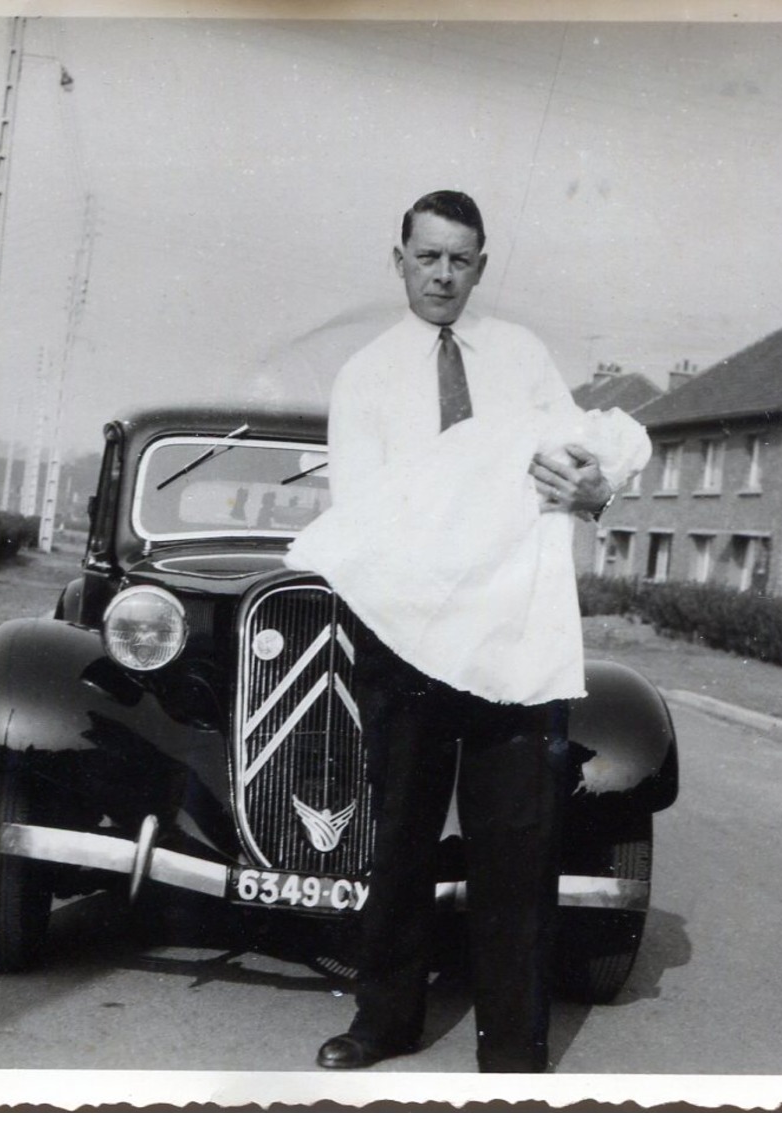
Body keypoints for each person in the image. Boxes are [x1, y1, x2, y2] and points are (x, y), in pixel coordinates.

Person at [299, 190, 650, 1074]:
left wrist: (594, 491)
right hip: (406, 638)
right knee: (401, 834)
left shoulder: (523, 359)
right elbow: (366, 517)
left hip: (513, 637)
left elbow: (583, 456)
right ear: (400, 259)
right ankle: (383, 1020)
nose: (442, 275)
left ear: (481, 265)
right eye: (427, 257)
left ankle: (514, 1048)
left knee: (517, 850)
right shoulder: (366, 375)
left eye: (460, 259)